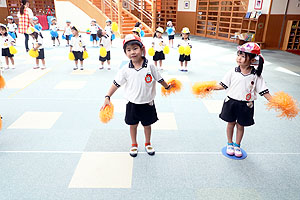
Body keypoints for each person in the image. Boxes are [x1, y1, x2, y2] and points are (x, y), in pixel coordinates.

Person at [101, 34, 172, 157]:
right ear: (125, 53)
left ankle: (147, 142)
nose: (132, 52)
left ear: (142, 49)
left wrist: (167, 87)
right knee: (132, 125)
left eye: (135, 48)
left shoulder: (150, 66)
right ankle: (134, 144)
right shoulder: (125, 69)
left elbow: (159, 79)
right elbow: (116, 84)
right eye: (128, 50)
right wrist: (107, 96)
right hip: (132, 103)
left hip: (148, 103)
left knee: (147, 124)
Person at [213, 42, 272, 157]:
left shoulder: (256, 75)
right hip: (231, 102)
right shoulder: (232, 71)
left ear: (252, 60)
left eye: (243, 56)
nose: (239, 58)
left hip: (246, 105)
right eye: (238, 55)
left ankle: (237, 145)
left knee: (241, 125)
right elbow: (222, 85)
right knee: (231, 123)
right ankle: (229, 143)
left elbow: (264, 91)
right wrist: (209, 88)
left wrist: (276, 102)